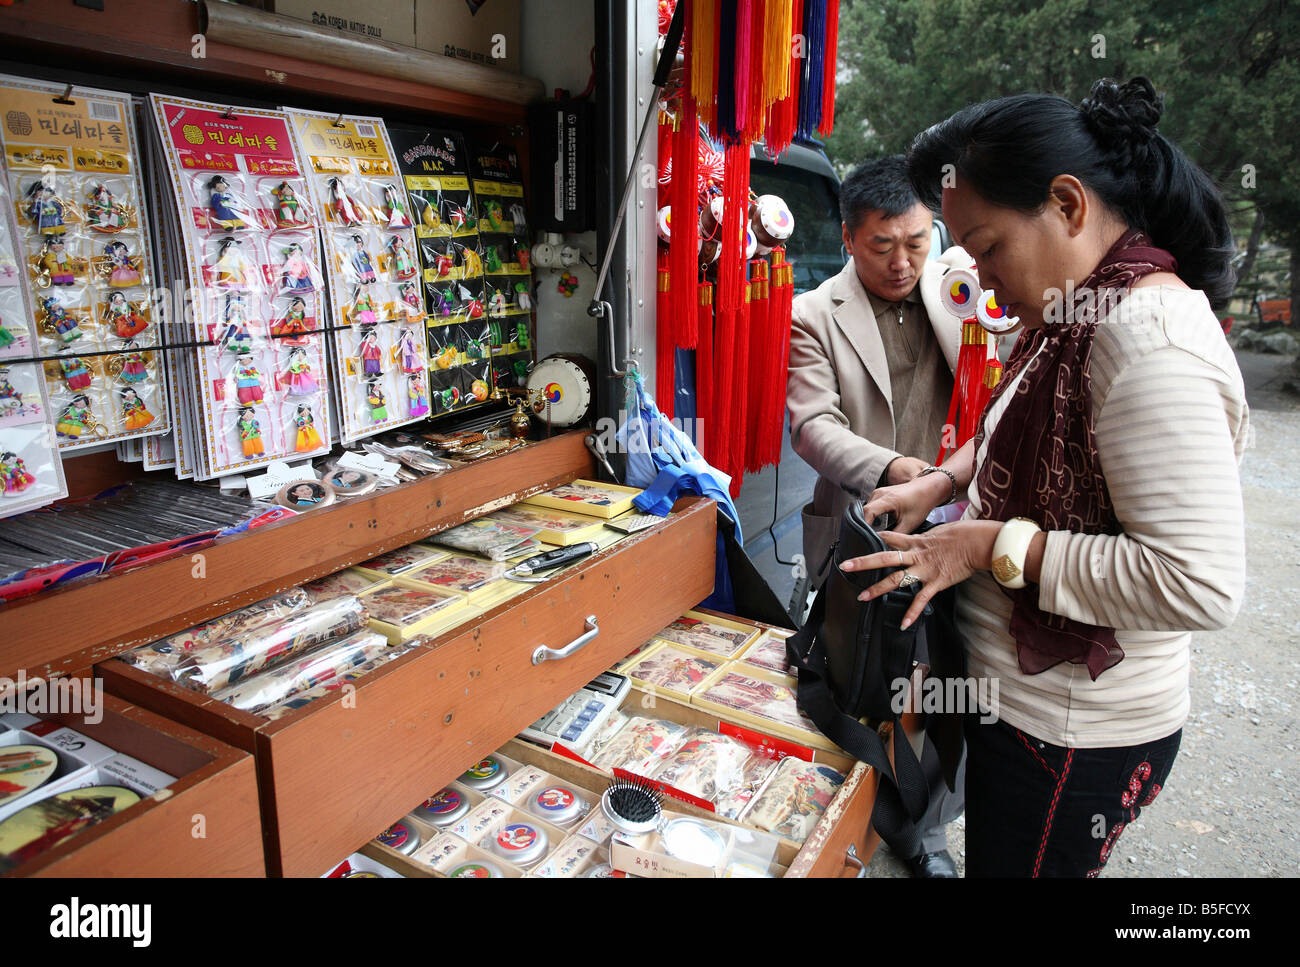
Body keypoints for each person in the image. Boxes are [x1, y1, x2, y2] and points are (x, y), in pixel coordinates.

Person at [844, 77, 1247, 877]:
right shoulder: (1075, 308)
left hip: (1070, 738)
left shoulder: (1145, 340)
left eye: (989, 248)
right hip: (1022, 709)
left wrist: (991, 545)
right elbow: (1007, 426)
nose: (981, 281)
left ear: (1067, 205)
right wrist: (940, 482)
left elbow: (1200, 583)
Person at [786, 155, 971, 877]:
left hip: (957, 523)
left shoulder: (964, 292)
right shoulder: (813, 314)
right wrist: (894, 469)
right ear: (847, 238)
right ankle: (841, 815)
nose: (903, 262)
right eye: (882, 245)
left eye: (917, 242)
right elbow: (813, 425)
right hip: (863, 522)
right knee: (858, 673)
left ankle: (925, 829)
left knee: (941, 678)